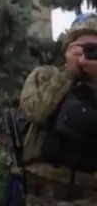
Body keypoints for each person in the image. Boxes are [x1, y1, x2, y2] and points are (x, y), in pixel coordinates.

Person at [18, 13, 97, 204]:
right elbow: (36, 112)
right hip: (42, 189)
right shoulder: (45, 75)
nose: (88, 53)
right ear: (67, 49)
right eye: (81, 47)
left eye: (94, 48)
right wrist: (68, 75)